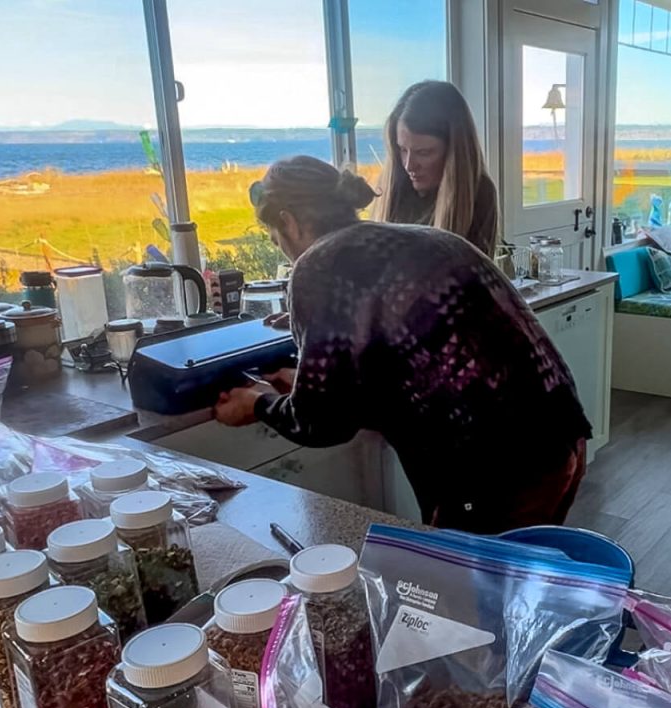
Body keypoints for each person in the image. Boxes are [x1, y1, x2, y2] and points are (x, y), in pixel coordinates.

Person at [215, 156, 589, 534]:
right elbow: (407, 364)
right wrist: (309, 380)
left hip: (498, 465)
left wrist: (258, 404)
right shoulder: (418, 238)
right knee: (516, 580)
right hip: (560, 431)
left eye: (277, 238)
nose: (284, 249)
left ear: (288, 221)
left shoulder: (320, 263)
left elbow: (320, 425)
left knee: (461, 586)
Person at [375, 80, 500, 258]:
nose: (409, 165)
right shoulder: (395, 184)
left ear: (454, 153)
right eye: (402, 150)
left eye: (424, 152)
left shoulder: (480, 193)